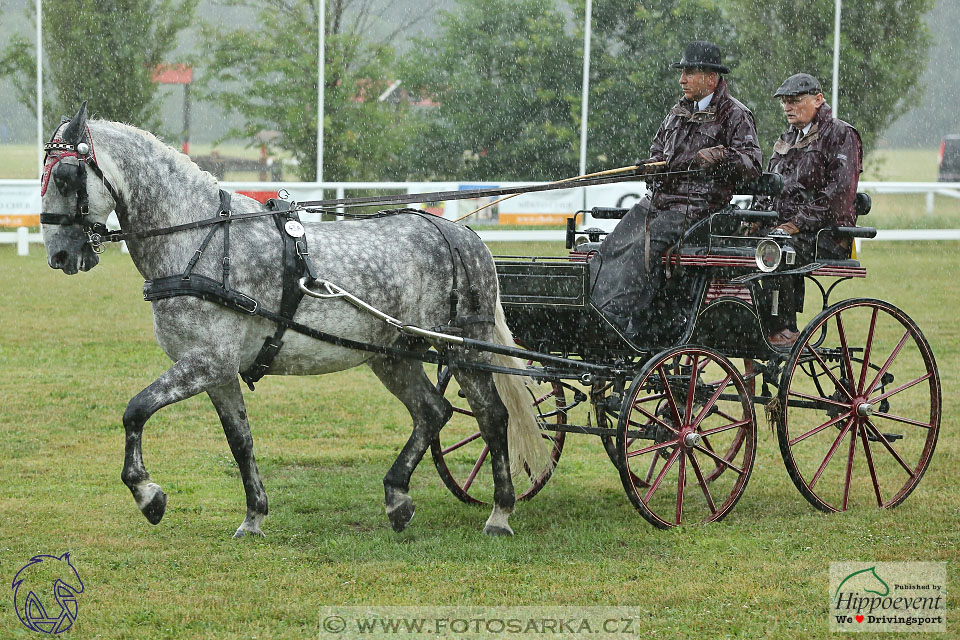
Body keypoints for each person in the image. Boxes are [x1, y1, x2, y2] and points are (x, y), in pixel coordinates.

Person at [590, 41, 762, 339]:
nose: (682, 79)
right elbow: (659, 150)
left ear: (711, 78)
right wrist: (652, 165)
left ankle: (617, 318)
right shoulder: (676, 114)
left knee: (642, 248)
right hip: (659, 201)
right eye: (682, 73)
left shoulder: (735, 114)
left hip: (699, 208)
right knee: (615, 243)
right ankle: (593, 308)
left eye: (689, 73)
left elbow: (752, 164)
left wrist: (721, 155)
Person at [753, 73, 863, 347]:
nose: (788, 107)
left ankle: (784, 328)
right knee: (736, 244)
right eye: (785, 103)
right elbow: (768, 184)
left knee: (779, 247)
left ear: (818, 99)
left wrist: (796, 223)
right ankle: (750, 321)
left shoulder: (841, 135)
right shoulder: (787, 138)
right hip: (781, 230)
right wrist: (754, 217)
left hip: (826, 234)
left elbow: (838, 196)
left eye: (794, 100)